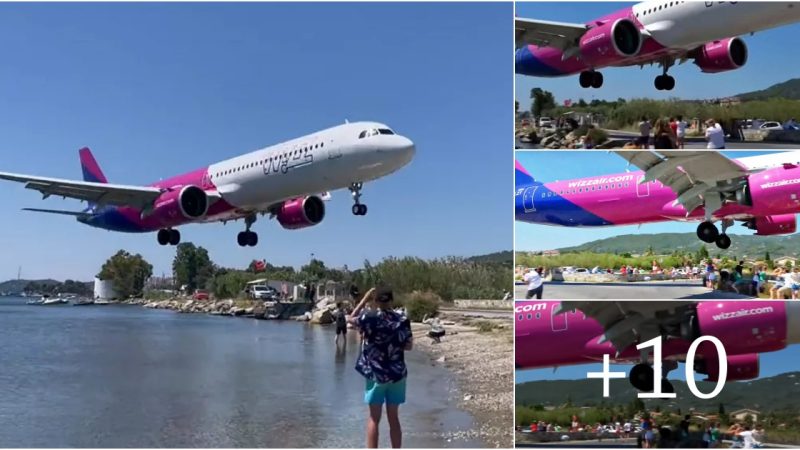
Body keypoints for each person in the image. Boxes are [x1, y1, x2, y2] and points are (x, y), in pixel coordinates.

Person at [348, 287, 413, 449]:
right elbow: (409, 346)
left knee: (374, 419)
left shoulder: (368, 317)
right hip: (397, 374)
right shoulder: (402, 320)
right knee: (394, 418)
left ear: (375, 301)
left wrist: (364, 299)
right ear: (391, 300)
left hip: (375, 374)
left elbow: (350, 318)